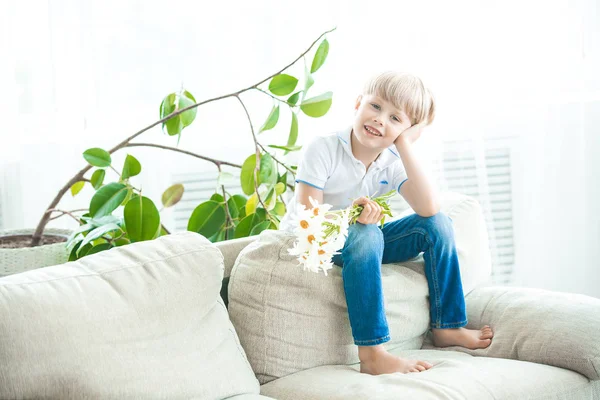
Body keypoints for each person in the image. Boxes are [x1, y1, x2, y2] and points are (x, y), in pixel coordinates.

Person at [279, 71, 494, 375]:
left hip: (361, 241)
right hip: (317, 241)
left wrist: (404, 146)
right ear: (358, 103)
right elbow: (308, 220)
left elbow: (428, 208)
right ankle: (373, 353)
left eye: (396, 118)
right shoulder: (323, 148)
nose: (381, 120)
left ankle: (447, 327)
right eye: (376, 107)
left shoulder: (392, 160)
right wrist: (353, 218)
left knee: (438, 225)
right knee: (366, 232)